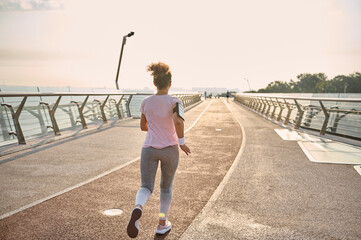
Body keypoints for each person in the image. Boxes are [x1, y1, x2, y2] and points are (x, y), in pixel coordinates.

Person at [127, 62, 191, 238]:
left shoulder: (146, 102)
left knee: (146, 186)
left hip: (149, 149)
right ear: (170, 83)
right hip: (170, 149)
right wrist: (182, 142)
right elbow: (178, 122)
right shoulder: (175, 101)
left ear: (154, 83)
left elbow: (143, 126)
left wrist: (155, 127)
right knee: (165, 188)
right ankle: (162, 223)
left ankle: (138, 208)